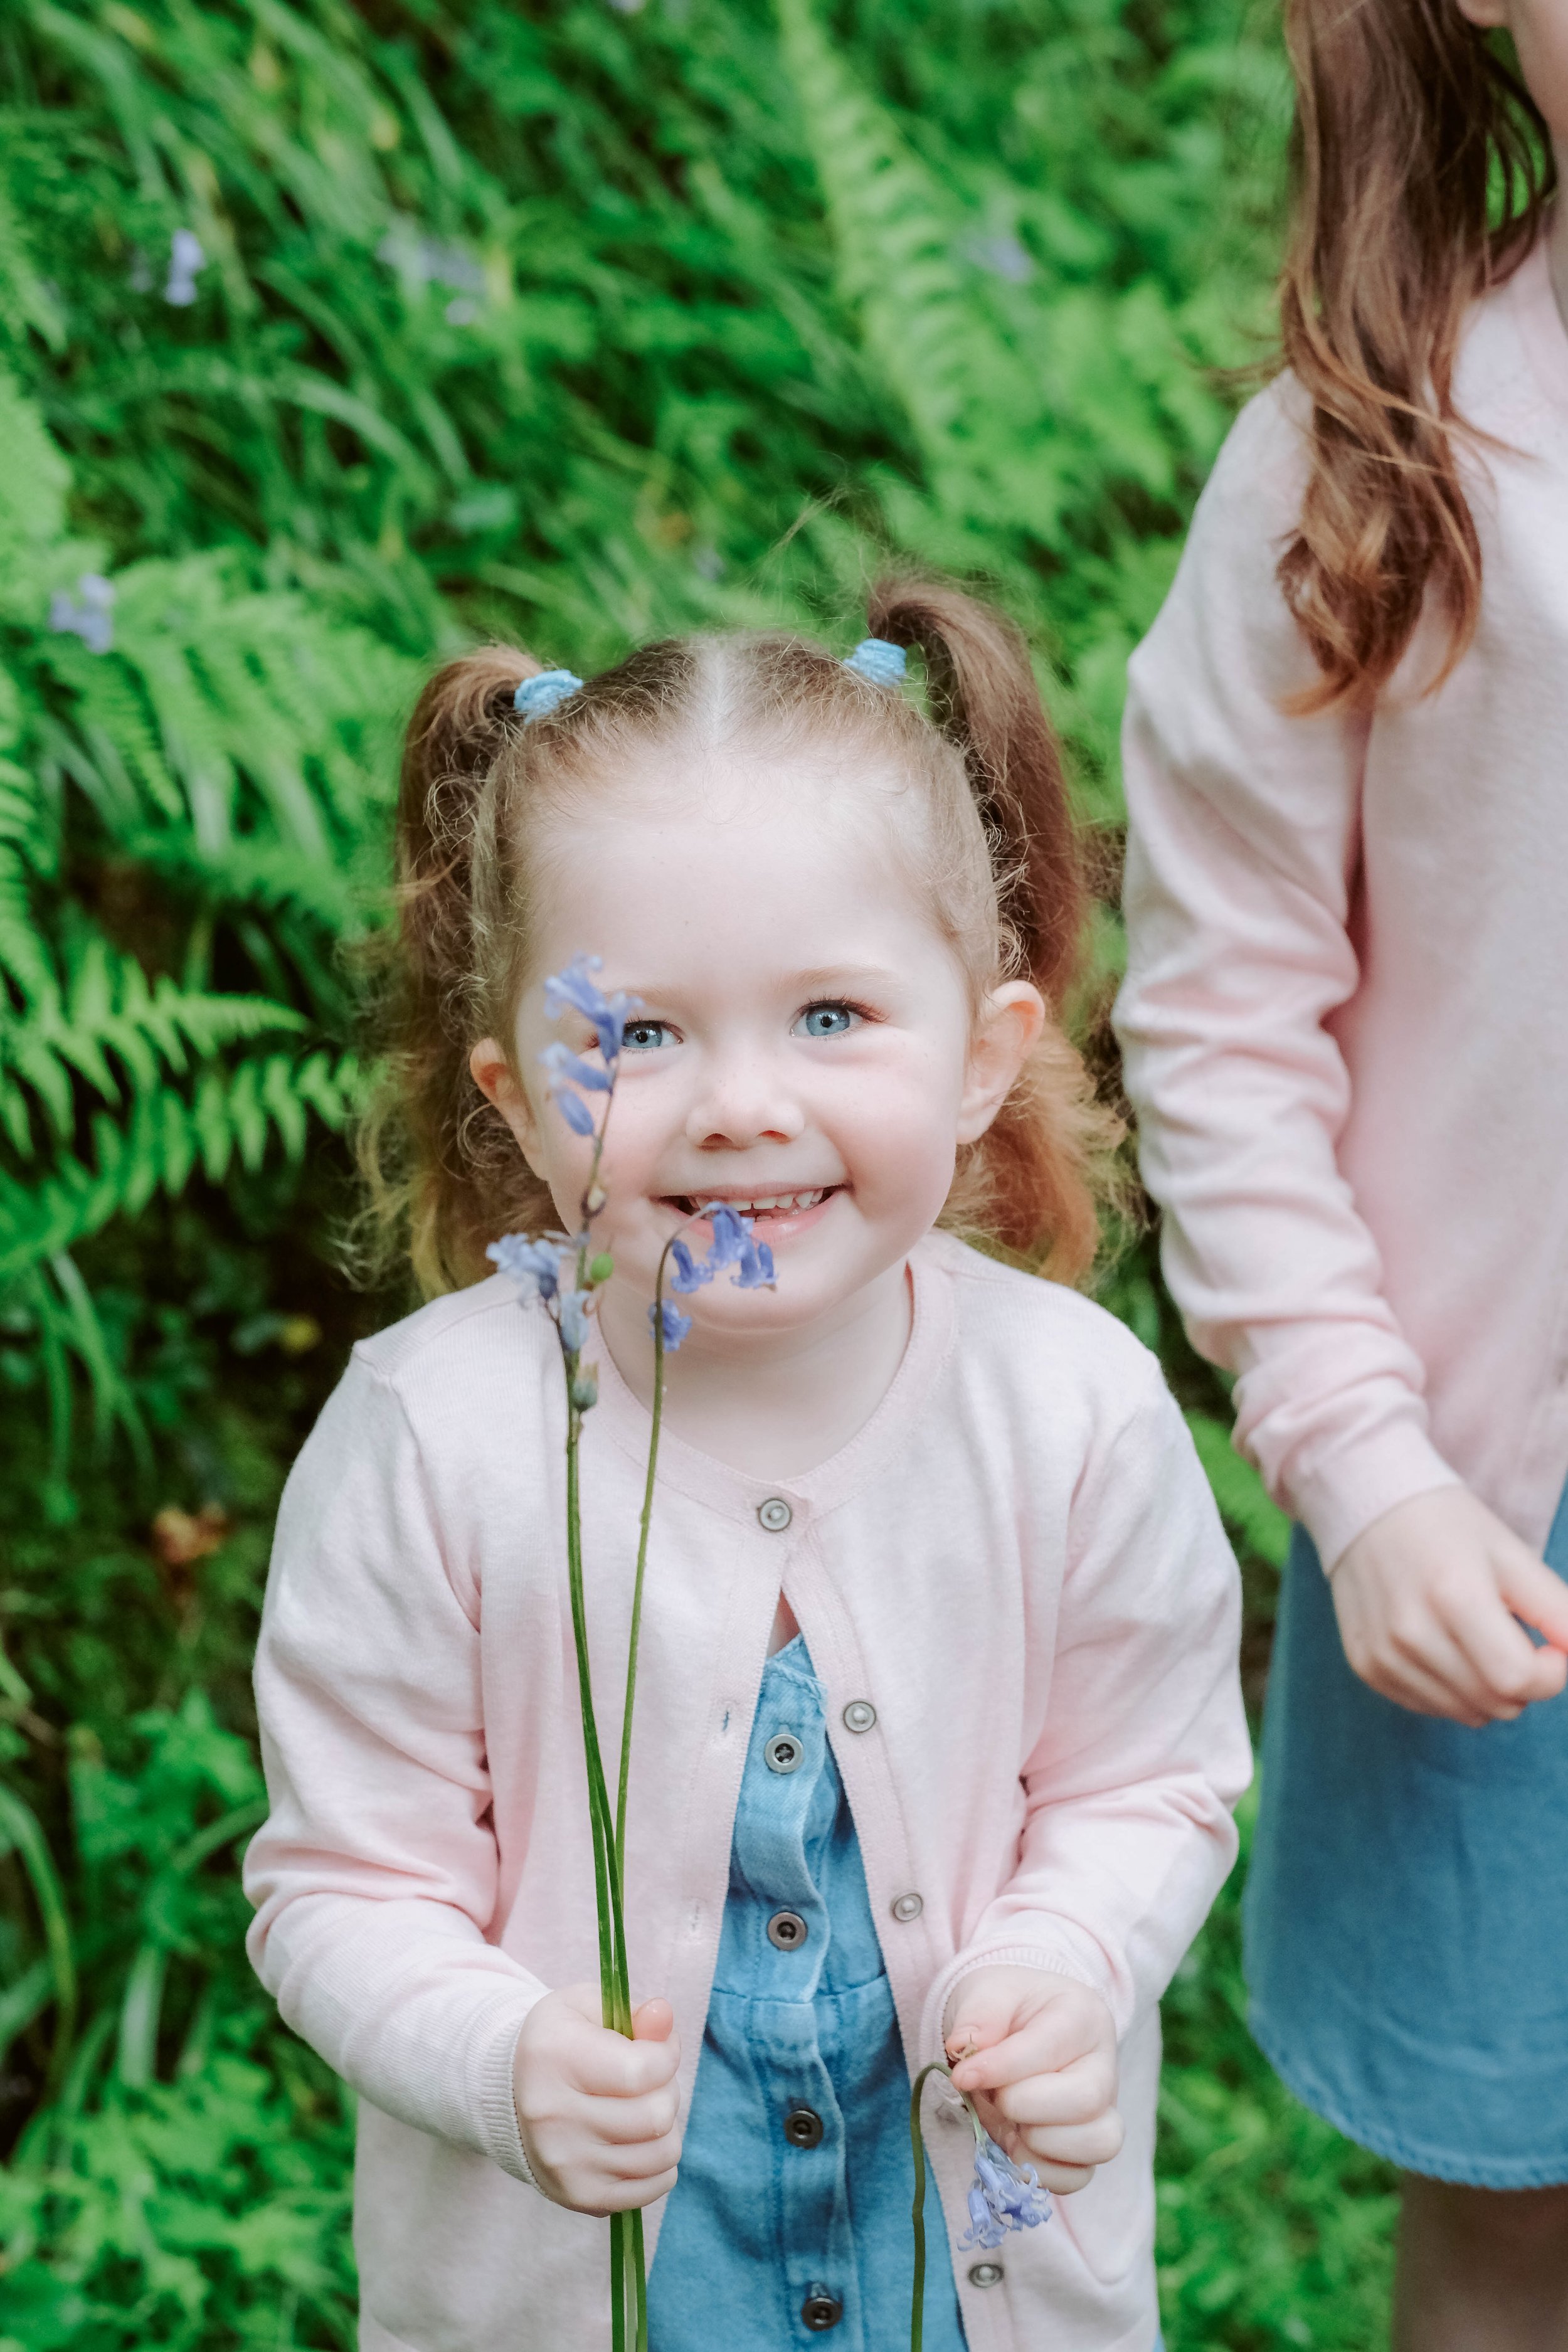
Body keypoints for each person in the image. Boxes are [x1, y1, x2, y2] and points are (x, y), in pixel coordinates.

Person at [243, 580, 1248, 2352]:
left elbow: (1146, 1784)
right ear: (516, 1093)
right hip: (594, 2293)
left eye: (830, 1017)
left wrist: (1061, 1969)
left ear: (981, 1054)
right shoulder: (439, 1441)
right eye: (633, 1035)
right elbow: (342, 1886)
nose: (737, 1103)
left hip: (964, 2276)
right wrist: (498, 2059)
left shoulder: (1072, 1410)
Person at [1112, 0, 1568, 2342]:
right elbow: (1217, 1003)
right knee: (1512, 2193)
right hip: (1497, 1504)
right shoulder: (1369, 453)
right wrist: (1363, 1468)